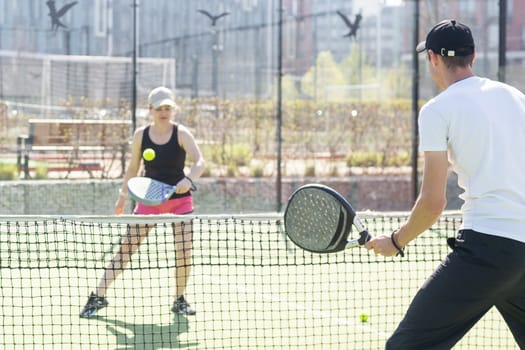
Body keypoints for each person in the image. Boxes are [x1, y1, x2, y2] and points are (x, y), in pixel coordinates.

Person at [365, 19, 525, 349]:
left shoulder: (437, 110)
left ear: (434, 58)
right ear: (474, 56)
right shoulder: (515, 97)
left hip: (488, 251)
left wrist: (396, 241)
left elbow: (433, 202)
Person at [80, 86, 206, 318]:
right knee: (126, 249)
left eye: (168, 107)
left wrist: (189, 179)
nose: (164, 112)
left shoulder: (181, 133)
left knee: (184, 253)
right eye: (159, 108)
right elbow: (133, 168)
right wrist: (122, 197)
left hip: (180, 202)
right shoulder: (141, 135)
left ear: (173, 110)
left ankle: (179, 299)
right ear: (150, 110)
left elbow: (200, 161)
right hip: (149, 200)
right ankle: (97, 296)